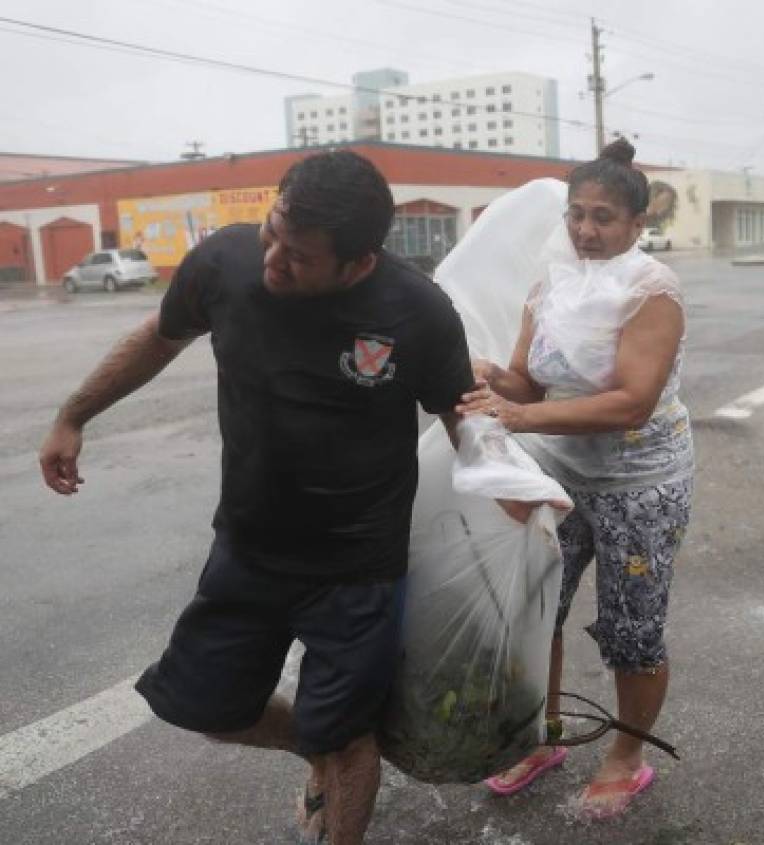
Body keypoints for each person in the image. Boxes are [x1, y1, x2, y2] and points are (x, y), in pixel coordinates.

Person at [37, 151, 539, 845]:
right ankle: (316, 750)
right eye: (272, 231)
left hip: (357, 567)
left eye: (299, 255)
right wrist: (74, 414)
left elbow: (460, 410)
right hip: (247, 547)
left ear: (358, 262)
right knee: (210, 707)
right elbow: (160, 336)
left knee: (352, 738)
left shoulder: (416, 310)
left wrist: (505, 485)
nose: (273, 258)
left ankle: (336, 776)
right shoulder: (225, 263)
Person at [456, 138, 694, 819]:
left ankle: (626, 754)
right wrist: (490, 375)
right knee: (540, 610)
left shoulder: (653, 290)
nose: (587, 230)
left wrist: (521, 415)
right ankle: (542, 738)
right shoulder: (550, 279)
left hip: (640, 482)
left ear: (636, 224)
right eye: (577, 214)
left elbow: (632, 402)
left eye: (604, 217)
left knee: (632, 629)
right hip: (561, 470)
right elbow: (528, 377)